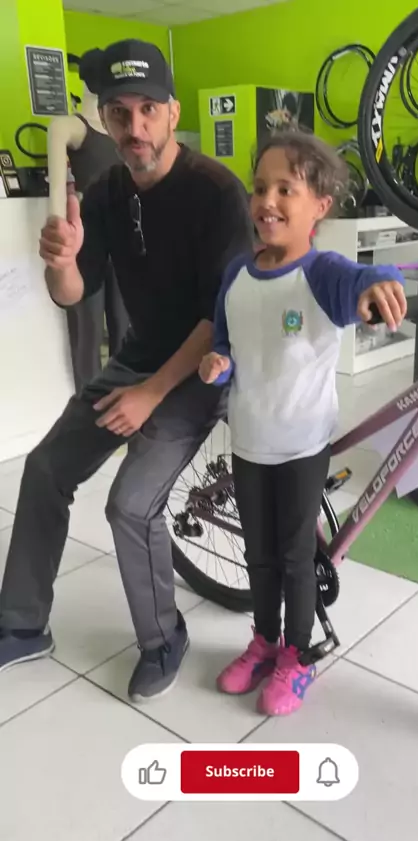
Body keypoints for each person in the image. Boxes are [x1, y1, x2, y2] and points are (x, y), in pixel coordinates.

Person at [0, 39, 252, 702]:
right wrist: (62, 262)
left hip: (202, 368)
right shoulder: (109, 190)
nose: (134, 127)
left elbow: (220, 317)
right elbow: (71, 293)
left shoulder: (216, 193)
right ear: (105, 120)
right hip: (139, 358)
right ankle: (22, 625)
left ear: (172, 113)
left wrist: (150, 394)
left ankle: (164, 639)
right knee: (45, 467)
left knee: (131, 505)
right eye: (119, 113)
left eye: (147, 110)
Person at [199, 130, 407, 717]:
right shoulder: (236, 275)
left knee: (294, 558)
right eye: (259, 187)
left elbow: (362, 282)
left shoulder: (323, 273)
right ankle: (264, 640)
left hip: (301, 446)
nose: (267, 201)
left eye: (285, 189)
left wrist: (381, 285)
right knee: (259, 556)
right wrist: (217, 364)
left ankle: (298, 652)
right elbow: (225, 341)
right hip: (249, 441)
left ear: (320, 205)